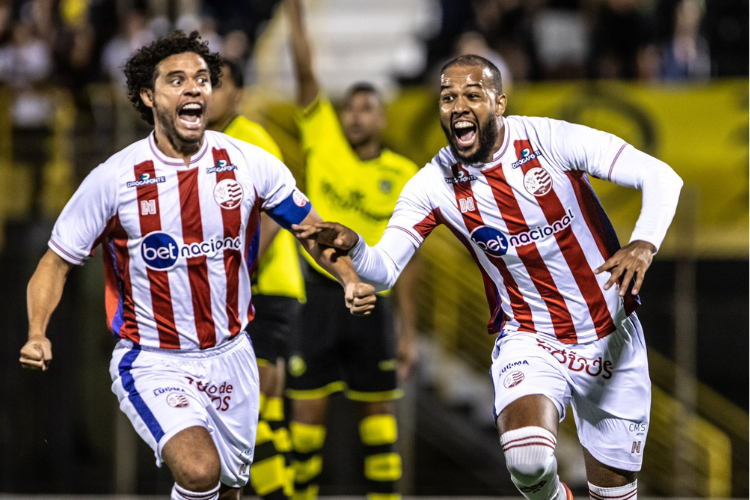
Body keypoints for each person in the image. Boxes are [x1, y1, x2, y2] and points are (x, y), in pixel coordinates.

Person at [294, 54, 683, 500]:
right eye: (447, 97)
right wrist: (355, 248)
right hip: (529, 337)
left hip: (609, 335)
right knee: (528, 461)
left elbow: (660, 176)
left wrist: (643, 243)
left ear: (499, 103)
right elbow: (384, 271)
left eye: (472, 95)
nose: (458, 105)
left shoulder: (549, 139)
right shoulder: (432, 184)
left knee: (613, 493)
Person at [18, 31, 376, 500]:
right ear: (148, 96)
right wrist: (37, 332)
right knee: (199, 471)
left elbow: (312, 230)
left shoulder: (249, 163)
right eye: (177, 79)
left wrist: (349, 277)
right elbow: (55, 262)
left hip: (233, 356)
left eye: (203, 79)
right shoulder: (114, 179)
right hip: (153, 361)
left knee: (227, 490)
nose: (194, 88)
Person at [285, 1, 420, 499]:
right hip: (318, 295)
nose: (355, 115)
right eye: (350, 106)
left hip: (372, 301)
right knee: (306, 418)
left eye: (367, 107)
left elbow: (411, 261)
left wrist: (409, 330)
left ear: (382, 118)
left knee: (378, 418)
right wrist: (295, 15)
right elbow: (304, 69)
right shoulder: (322, 139)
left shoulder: (404, 175)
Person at [207, 58, 302, 500]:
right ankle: (285, 491)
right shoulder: (222, 140)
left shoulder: (246, 138)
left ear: (239, 95)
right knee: (271, 408)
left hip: (261, 290)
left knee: (248, 409)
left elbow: (276, 213)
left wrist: (239, 271)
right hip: (273, 288)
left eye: (217, 85)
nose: (205, 93)